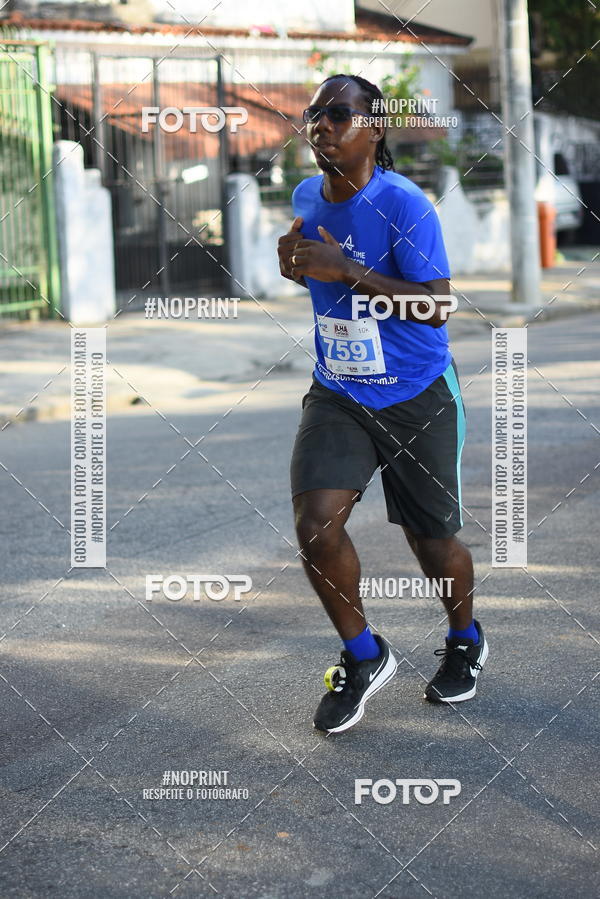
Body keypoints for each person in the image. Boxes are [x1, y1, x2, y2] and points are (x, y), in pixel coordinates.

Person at [277, 74, 488, 735]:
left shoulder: (405, 204)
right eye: (314, 113)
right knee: (317, 524)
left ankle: (464, 636)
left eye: (339, 113)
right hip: (339, 387)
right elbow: (311, 264)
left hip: (418, 393)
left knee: (433, 541)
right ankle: (364, 655)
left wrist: (347, 271)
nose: (322, 124)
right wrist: (296, 263)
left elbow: (437, 307)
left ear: (375, 129)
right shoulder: (307, 195)